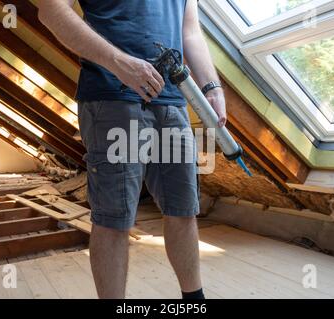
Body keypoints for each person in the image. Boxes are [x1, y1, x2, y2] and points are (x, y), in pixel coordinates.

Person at [38, 0, 227, 299]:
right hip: (112, 96)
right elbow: (51, 10)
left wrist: (211, 87)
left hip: (173, 102)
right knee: (114, 219)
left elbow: (190, 31)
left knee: (183, 211)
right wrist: (117, 61)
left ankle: (194, 302)